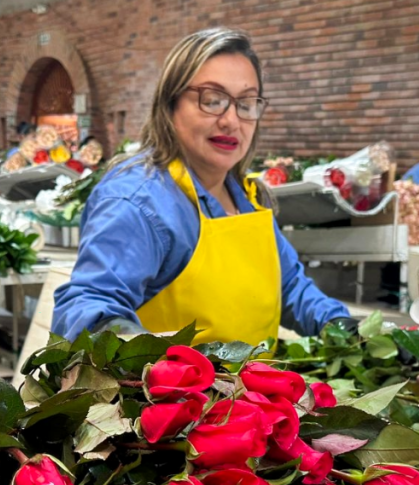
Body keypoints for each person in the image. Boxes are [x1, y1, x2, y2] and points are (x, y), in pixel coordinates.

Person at [52, 28, 349, 345]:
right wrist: (136, 352)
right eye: (212, 100)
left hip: (253, 378)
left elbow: (290, 287)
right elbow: (88, 306)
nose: (231, 121)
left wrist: (344, 328)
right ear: (170, 104)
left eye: (246, 103)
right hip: (164, 380)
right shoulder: (141, 201)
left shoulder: (246, 197)